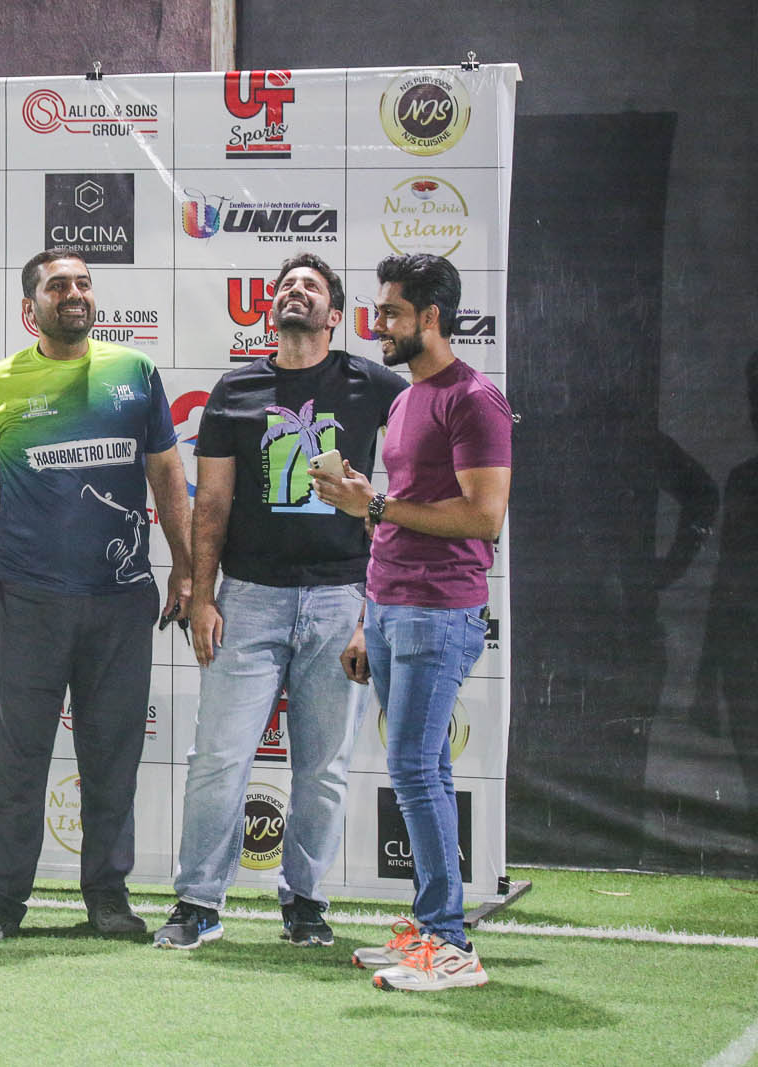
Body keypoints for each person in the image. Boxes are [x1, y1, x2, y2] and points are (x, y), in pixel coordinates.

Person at [155, 254, 407, 951]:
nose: (296, 291)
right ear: (272, 309)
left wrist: (371, 606)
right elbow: (212, 504)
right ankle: (198, 901)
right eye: (286, 286)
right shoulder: (237, 389)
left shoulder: (372, 383)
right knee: (217, 757)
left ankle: (306, 901)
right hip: (249, 599)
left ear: (334, 315)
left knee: (323, 766)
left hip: (341, 598)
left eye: (311, 287)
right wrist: (202, 597)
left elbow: (432, 438)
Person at [0, 248, 192, 941]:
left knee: (112, 757)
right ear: (32, 307)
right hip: (30, 601)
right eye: (58, 286)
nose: (75, 293)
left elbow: (168, 473)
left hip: (122, 600)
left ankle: (108, 898)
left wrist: (186, 568)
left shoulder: (135, 372)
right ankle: (0, 901)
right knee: (16, 758)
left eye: (83, 283)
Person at [312, 252, 512, 992]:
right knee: (418, 768)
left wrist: (372, 504)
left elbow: (484, 515)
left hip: (438, 609)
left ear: (431, 317)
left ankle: (449, 943)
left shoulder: (474, 400)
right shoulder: (405, 401)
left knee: (416, 768)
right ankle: (431, 929)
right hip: (393, 606)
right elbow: (393, 516)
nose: (379, 325)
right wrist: (367, 615)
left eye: (392, 312)